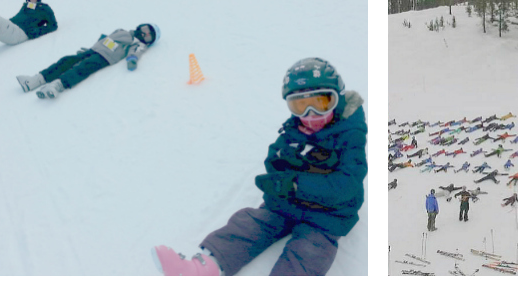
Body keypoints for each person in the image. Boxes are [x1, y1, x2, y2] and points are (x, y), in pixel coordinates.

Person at [152, 57, 367, 276]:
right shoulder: (294, 129)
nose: (311, 115)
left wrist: (294, 184)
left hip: (328, 215)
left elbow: (347, 185)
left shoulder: (350, 135)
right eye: (300, 105)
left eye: (321, 103)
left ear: (337, 99)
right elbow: (274, 156)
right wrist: (279, 173)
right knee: (251, 224)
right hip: (287, 203)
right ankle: (201, 270)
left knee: (309, 252)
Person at [15, 23, 160, 99]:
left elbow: (136, 51)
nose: (145, 33)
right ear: (141, 25)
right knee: (67, 60)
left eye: (148, 36)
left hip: (105, 58)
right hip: (93, 50)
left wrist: (133, 59)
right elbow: (106, 39)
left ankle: (57, 85)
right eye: (146, 29)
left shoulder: (136, 42)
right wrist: (89, 49)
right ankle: (36, 80)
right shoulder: (122, 30)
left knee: (82, 68)